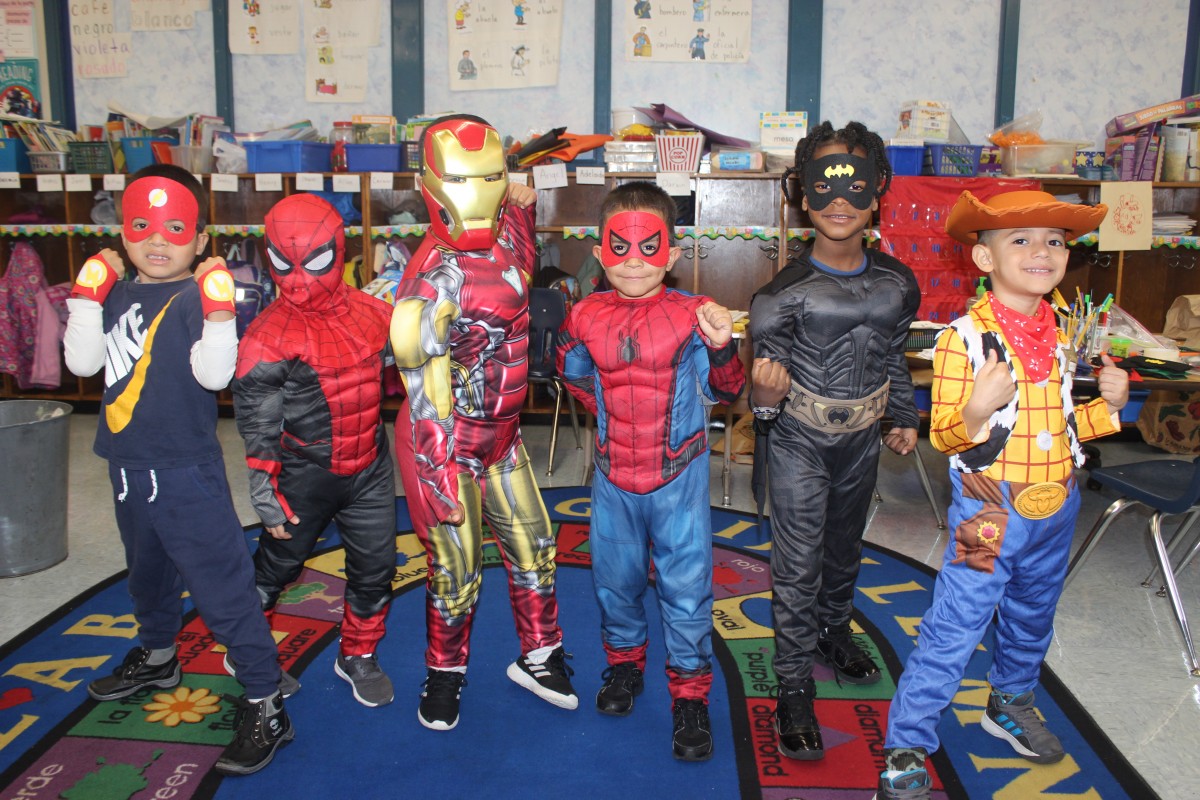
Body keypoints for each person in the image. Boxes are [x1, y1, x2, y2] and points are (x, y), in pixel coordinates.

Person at [875, 190, 1126, 799]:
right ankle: (908, 741)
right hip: (991, 507)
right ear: (984, 260)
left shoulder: (1061, 331)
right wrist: (976, 408)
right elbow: (947, 435)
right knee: (958, 619)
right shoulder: (962, 339)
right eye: (1022, 240)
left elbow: (1059, 425)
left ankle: (1010, 700)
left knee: (1034, 614)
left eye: (1055, 241)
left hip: (1056, 504)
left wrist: (1108, 409)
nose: (1042, 251)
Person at [64, 164, 293, 776]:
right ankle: (160, 654)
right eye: (141, 226)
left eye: (174, 228)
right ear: (123, 233)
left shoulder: (195, 296)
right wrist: (86, 295)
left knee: (222, 590)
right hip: (123, 467)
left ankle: (266, 700)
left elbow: (215, 376)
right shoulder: (113, 291)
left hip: (185, 472)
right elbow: (83, 361)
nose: (157, 240)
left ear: (199, 239)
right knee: (147, 576)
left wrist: (219, 314)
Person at [391, 114, 577, 732]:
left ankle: (539, 655)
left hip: (504, 436)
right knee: (457, 569)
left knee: (535, 546)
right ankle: (444, 674)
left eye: (490, 176)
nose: (481, 192)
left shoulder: (508, 238)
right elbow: (423, 399)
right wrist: (438, 477)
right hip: (448, 447)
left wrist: (522, 199)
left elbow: (521, 257)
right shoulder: (428, 283)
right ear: (433, 183)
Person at [748, 121, 921, 761]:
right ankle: (792, 687)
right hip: (798, 439)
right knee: (797, 564)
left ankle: (831, 629)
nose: (839, 199)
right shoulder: (779, 296)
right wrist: (763, 407)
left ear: (879, 190)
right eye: (823, 184)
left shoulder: (898, 283)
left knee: (845, 547)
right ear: (801, 194)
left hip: (863, 440)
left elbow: (894, 355)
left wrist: (903, 415)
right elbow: (762, 388)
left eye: (854, 182)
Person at [557, 181, 746, 761]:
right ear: (598, 248)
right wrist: (617, 426)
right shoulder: (584, 315)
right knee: (614, 582)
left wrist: (722, 349)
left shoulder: (697, 316)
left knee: (687, 591)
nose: (634, 262)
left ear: (672, 250)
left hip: (678, 479)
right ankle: (624, 666)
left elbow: (729, 391)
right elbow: (574, 378)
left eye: (648, 248)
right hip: (615, 476)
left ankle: (690, 695)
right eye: (619, 247)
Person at [231, 193, 398, 709]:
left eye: (315, 261)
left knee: (377, 567)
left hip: (369, 465)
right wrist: (264, 490)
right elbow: (257, 422)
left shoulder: (376, 312)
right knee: (276, 567)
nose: (299, 278)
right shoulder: (266, 336)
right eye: (284, 263)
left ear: (339, 249)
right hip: (303, 472)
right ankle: (249, 653)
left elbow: (423, 362)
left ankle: (358, 655)